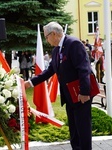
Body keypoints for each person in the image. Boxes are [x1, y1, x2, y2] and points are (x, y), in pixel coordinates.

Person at [25, 21, 92, 150]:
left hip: (80, 95)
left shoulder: (73, 44)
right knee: (74, 130)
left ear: (54, 34)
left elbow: (84, 69)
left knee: (83, 129)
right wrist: (30, 82)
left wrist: (84, 92)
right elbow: (49, 71)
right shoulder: (56, 50)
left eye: (46, 37)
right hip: (69, 96)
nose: (46, 40)